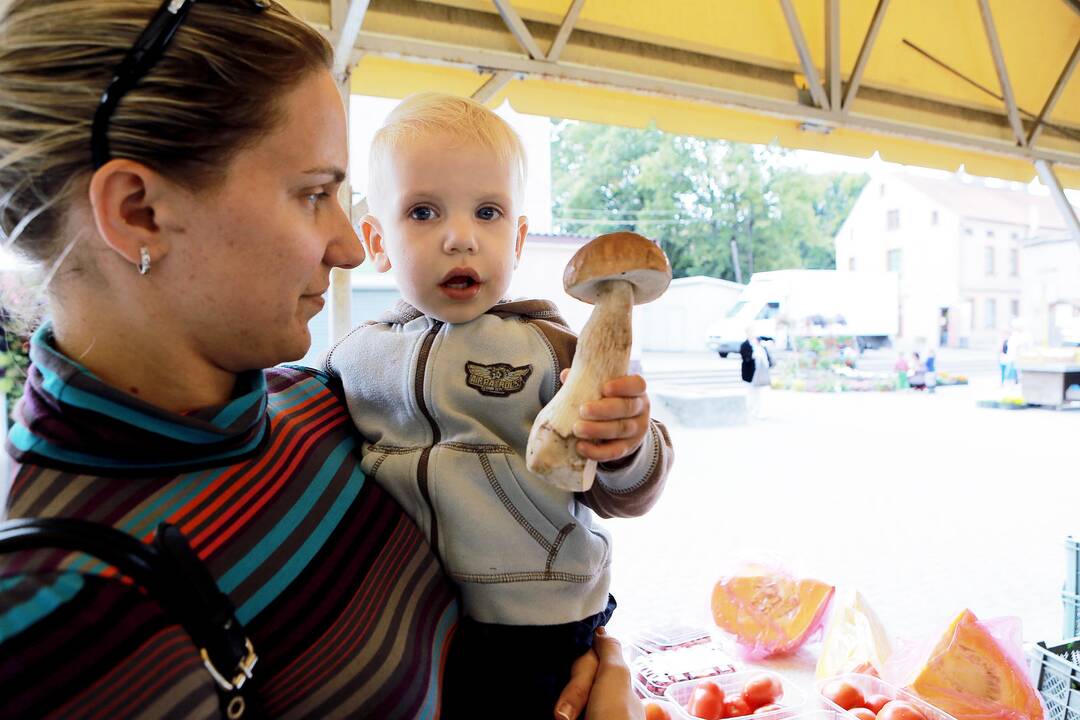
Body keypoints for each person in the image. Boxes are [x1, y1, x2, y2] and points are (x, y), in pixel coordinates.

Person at [0, 3, 642, 719]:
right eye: (313, 194)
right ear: (139, 212)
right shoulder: (55, 618)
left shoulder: (325, 403)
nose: (349, 247)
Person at [325, 92, 673, 719]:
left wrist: (627, 449)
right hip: (409, 618)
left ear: (517, 239)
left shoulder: (549, 346)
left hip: (541, 613)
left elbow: (623, 494)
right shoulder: (352, 357)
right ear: (376, 240)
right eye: (424, 211)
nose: (461, 238)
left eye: (487, 212)